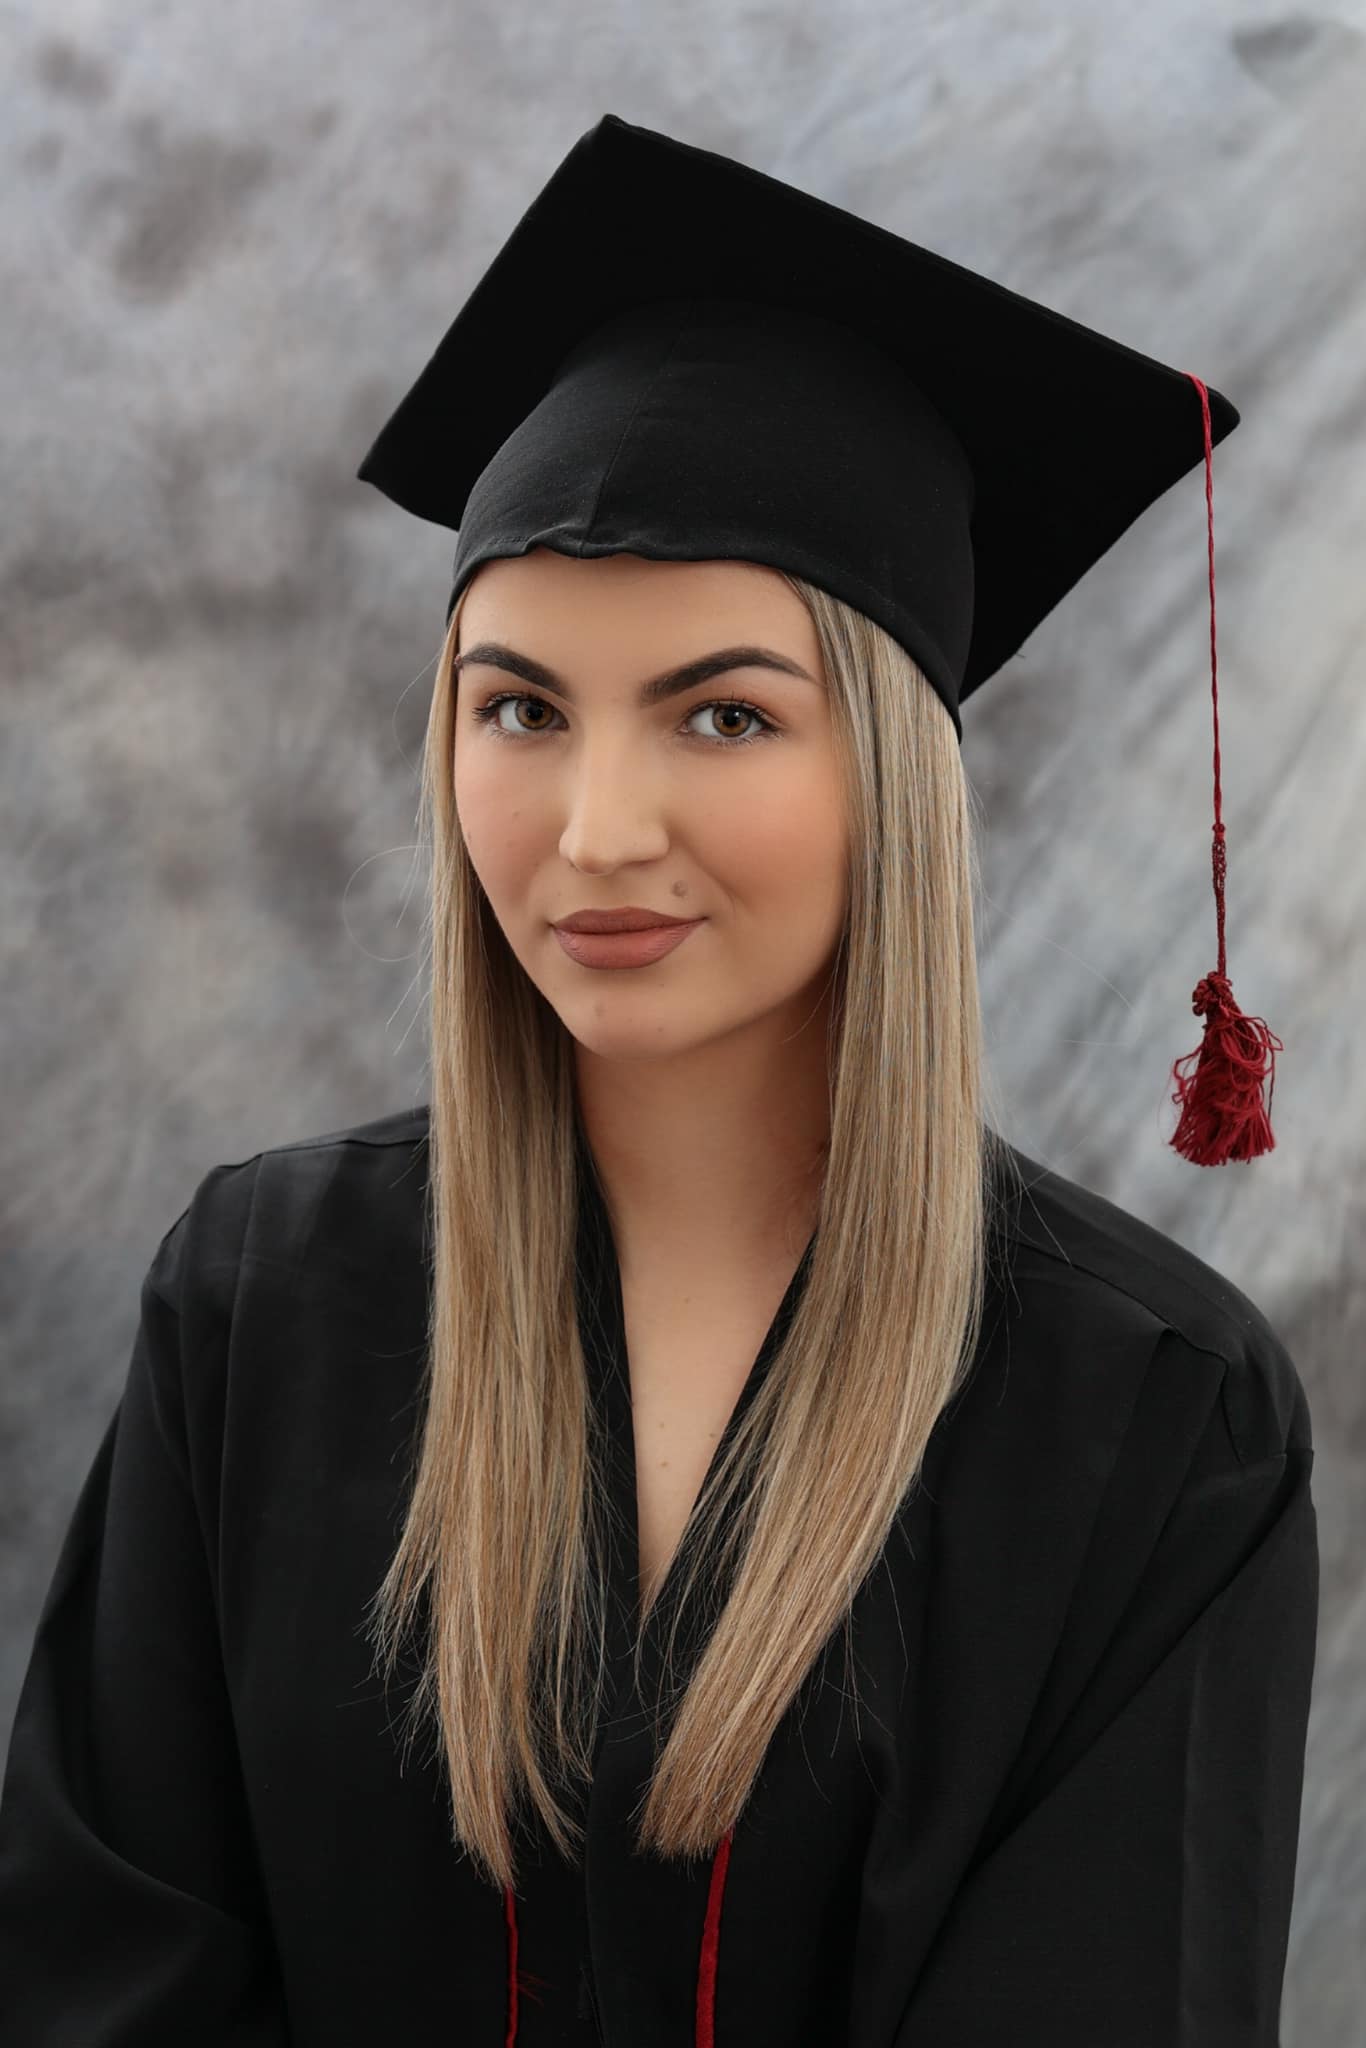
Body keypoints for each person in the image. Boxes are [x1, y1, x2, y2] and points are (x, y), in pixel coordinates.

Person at [0, 115, 1316, 2046]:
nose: (597, 829)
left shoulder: (1146, 1420)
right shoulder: (263, 1303)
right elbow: (101, 1982)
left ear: (891, 779)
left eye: (722, 715)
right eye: (521, 707)